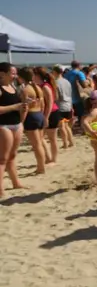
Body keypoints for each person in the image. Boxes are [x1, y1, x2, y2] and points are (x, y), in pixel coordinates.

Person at [0, 62, 25, 198]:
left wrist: (24, 107)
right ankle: (0, 189)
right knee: (2, 158)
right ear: (2, 74)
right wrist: (15, 107)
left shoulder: (12, 86)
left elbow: (17, 106)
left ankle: (16, 182)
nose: (15, 75)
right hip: (3, 126)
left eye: (15, 73)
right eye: (12, 73)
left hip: (16, 124)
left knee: (12, 156)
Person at [17, 67, 48, 174]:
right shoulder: (38, 88)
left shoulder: (25, 89)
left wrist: (21, 122)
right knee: (39, 143)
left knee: (36, 145)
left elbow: (25, 108)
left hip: (31, 116)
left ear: (21, 78)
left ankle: (41, 167)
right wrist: (42, 116)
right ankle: (41, 166)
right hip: (39, 114)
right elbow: (43, 105)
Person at [33, 67, 60, 164]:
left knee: (52, 139)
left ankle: (54, 160)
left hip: (51, 113)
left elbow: (50, 103)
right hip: (45, 113)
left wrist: (46, 118)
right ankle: (48, 158)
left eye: (33, 75)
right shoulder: (40, 86)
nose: (32, 77)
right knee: (40, 138)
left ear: (37, 76)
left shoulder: (45, 86)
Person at [51, 65, 74, 148]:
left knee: (62, 126)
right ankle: (71, 142)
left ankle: (65, 143)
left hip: (60, 105)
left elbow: (57, 96)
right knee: (66, 125)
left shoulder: (56, 82)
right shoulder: (67, 81)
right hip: (68, 105)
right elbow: (70, 94)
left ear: (55, 72)